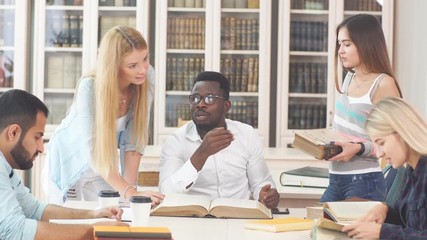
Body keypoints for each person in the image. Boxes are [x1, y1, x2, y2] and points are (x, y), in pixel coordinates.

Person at [45, 26, 164, 205]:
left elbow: (134, 141)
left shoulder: (146, 78)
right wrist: (129, 192)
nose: (143, 70)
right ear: (114, 66)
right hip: (70, 163)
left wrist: (131, 196)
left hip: (103, 166)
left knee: (117, 213)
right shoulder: (89, 88)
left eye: (145, 58)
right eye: (132, 65)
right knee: (73, 223)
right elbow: (93, 153)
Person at [0, 89, 124, 240]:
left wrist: (93, 214)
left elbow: (36, 211)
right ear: (13, 133)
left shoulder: (6, 169)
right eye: (37, 137)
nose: (41, 148)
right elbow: (15, 231)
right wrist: (94, 230)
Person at [159, 71, 279, 209]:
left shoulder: (247, 135)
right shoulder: (175, 140)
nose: (200, 104)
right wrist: (202, 154)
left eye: (210, 98)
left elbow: (260, 183)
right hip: (193, 220)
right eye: (195, 98)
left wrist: (266, 195)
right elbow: (166, 193)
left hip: (237, 219)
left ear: (226, 106)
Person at [320, 14, 402, 202]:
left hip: (364, 180)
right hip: (335, 179)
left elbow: (398, 141)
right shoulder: (349, 78)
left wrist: (357, 149)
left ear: (366, 43)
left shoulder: (383, 84)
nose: (340, 51)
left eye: (347, 44)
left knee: (342, 231)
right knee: (315, 228)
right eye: (339, 44)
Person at [342, 97, 427, 239]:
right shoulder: (412, 170)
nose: (379, 153)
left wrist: (382, 233)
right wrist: (385, 210)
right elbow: (406, 219)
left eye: (381, 142)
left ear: (402, 132)